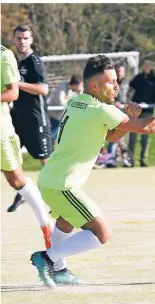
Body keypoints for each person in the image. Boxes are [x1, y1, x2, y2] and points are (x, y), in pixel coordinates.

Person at [30, 55, 155, 289]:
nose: (116, 86)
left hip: (52, 179)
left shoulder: (77, 102)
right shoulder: (100, 110)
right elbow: (147, 127)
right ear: (94, 85)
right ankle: (47, 258)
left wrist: (126, 120)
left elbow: (109, 135)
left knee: (66, 221)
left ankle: (59, 270)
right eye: (110, 82)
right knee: (101, 234)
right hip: (62, 184)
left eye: (116, 81)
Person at [1, 44, 52, 249]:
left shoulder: (4, 56)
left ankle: (46, 224)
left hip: (2, 132)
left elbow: (12, 93)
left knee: (16, 180)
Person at [8, 25, 52, 212]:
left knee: (46, 161)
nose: (22, 41)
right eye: (19, 38)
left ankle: (59, 196)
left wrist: (18, 84)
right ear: (14, 40)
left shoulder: (34, 61)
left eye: (25, 38)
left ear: (31, 40)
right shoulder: (13, 61)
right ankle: (24, 192)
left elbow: (43, 89)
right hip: (17, 118)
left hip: (36, 118)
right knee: (11, 156)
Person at [128, 60, 155, 167]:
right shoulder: (138, 78)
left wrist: (150, 103)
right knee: (132, 136)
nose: (147, 68)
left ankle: (143, 160)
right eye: (145, 66)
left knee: (145, 137)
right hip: (135, 111)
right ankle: (130, 160)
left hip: (148, 111)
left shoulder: (154, 80)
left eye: (148, 66)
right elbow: (131, 86)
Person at [48, 74, 83, 144]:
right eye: (80, 85)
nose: (81, 87)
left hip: (67, 117)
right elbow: (60, 101)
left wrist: (80, 92)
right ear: (75, 84)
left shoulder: (78, 90)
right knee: (51, 136)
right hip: (55, 116)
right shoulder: (63, 85)